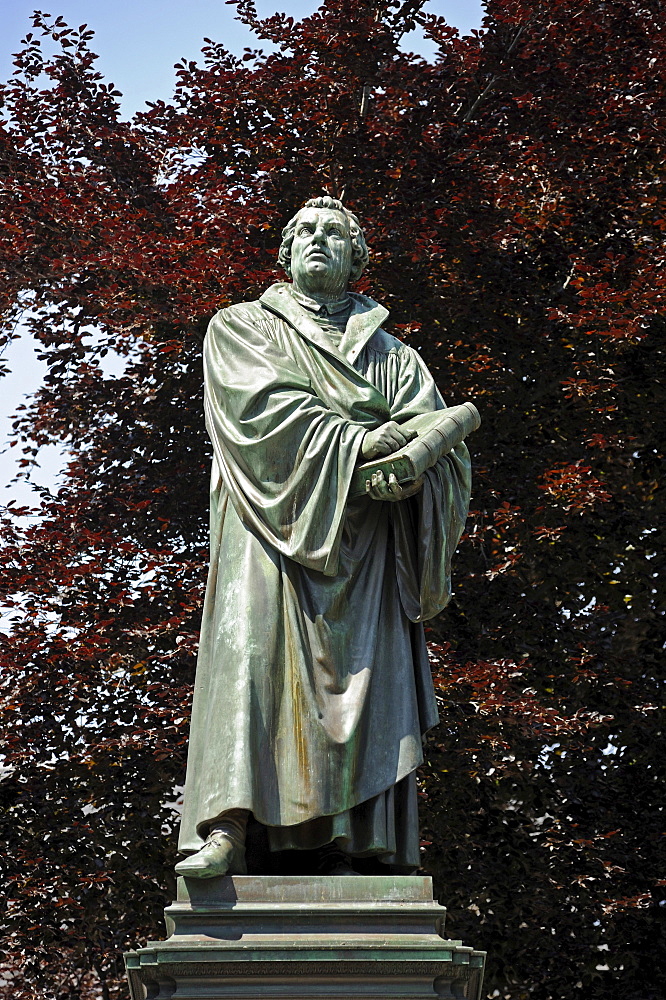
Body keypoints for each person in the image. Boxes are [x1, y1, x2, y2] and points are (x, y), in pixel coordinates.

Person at [175, 196, 471, 878]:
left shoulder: (394, 355)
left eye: (335, 233)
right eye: (304, 230)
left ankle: (363, 841)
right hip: (268, 534)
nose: (318, 239)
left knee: (365, 689)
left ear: (358, 258)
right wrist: (362, 439)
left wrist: (420, 468)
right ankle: (226, 825)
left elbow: (439, 444)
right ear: (283, 252)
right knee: (250, 663)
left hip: (366, 548)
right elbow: (261, 417)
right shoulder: (241, 328)